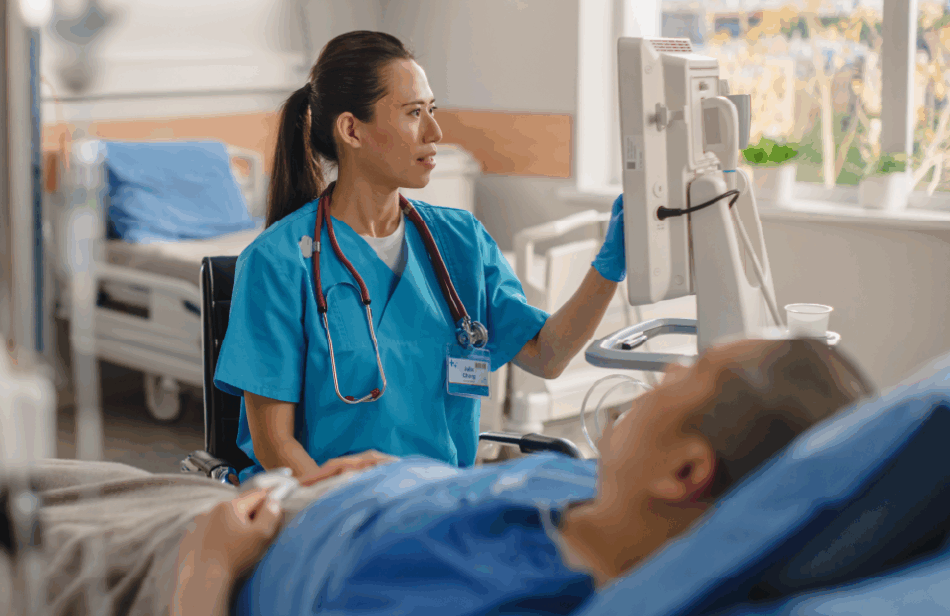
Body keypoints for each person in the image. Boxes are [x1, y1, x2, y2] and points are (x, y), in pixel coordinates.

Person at [174, 338, 876, 616]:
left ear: (687, 471)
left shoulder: (499, 598)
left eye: (691, 372)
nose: (666, 371)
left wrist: (206, 570)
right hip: (304, 499)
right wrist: (406, 477)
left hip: (212, 553)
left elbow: (542, 344)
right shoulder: (600, 496)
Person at [213, 30, 628, 483]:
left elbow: (547, 355)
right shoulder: (278, 262)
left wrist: (610, 265)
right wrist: (347, 513)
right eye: (414, 113)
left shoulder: (460, 241)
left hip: (439, 501)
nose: (435, 132)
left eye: (432, 110)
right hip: (327, 508)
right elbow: (276, 447)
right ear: (352, 129)